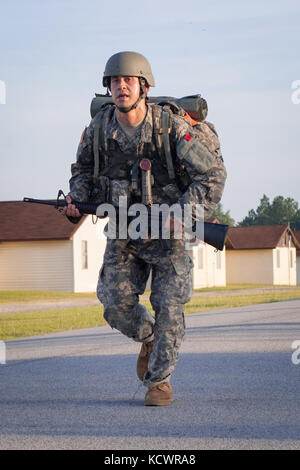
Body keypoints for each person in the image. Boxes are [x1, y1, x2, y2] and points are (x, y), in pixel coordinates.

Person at [62, 51, 227, 406]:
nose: (121, 87)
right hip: (124, 229)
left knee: (170, 305)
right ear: (108, 87)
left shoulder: (170, 126)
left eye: (128, 81)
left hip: (170, 232)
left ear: (144, 86)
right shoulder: (99, 128)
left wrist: (183, 214)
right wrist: (76, 200)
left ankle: (159, 381)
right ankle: (148, 337)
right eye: (115, 81)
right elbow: (82, 171)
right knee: (114, 305)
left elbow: (212, 174)